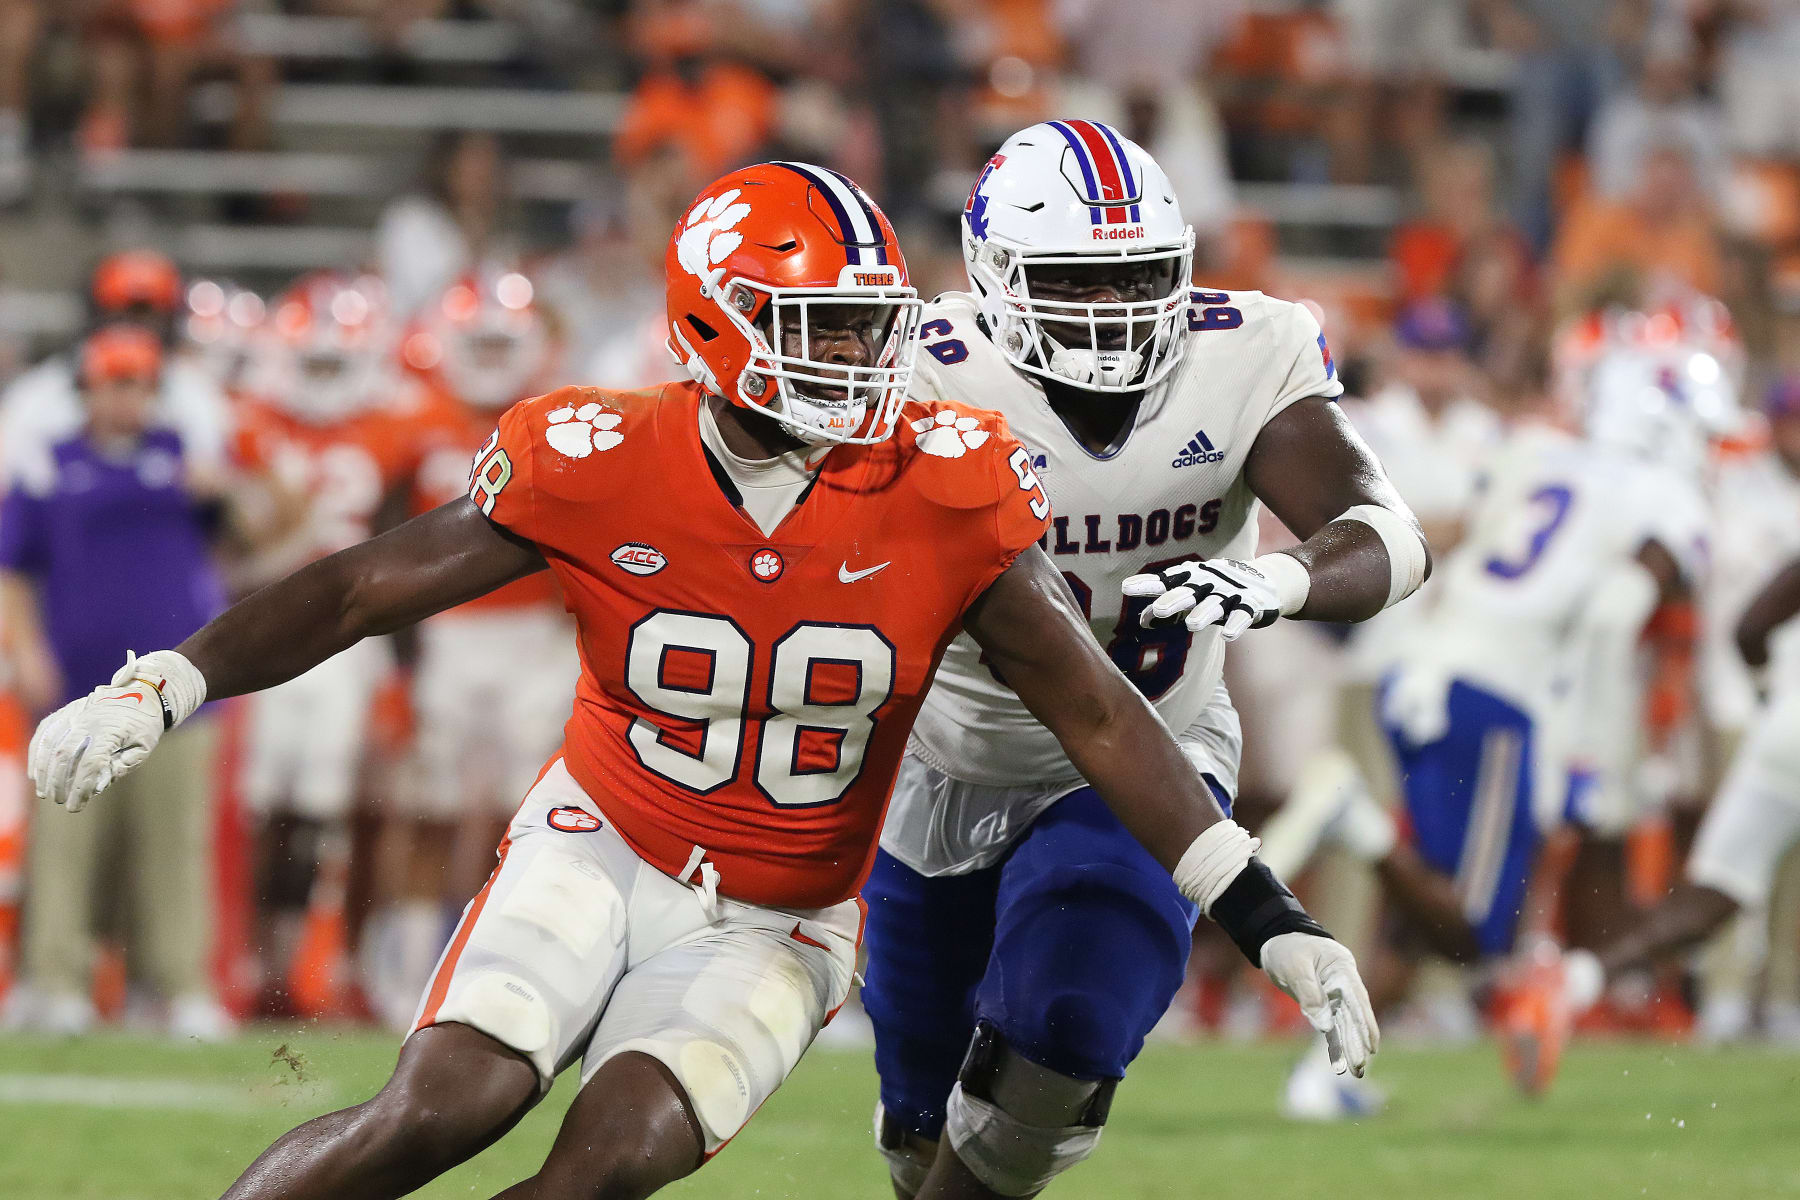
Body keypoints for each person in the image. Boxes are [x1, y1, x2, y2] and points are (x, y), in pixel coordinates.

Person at [26, 162, 1377, 1200]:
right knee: (442, 1105)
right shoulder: (597, 449)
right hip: (600, 842)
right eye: (822, 327)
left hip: (783, 916)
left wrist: (1266, 915)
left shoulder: (946, 485)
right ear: (713, 322)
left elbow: (1099, 714)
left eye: (866, 327)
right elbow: (358, 587)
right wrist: (167, 686)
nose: (857, 358)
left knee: (604, 1164)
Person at [862, 120, 1422, 1200]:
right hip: (938, 764)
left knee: (1066, 1033)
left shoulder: (1244, 349)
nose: (1116, 316)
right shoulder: (920, 373)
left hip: (1147, 760)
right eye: (1080, 283)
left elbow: (1389, 533)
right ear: (995, 276)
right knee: (922, 1125)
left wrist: (1282, 578)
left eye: (1139, 279)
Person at [1260, 336, 1722, 1099]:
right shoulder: (1663, 495)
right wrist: (1590, 760)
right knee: (1477, 930)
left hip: (1426, 667)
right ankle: (1353, 817)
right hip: (1497, 695)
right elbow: (1614, 614)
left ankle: (1326, 1076)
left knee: (1428, 900)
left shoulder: (1537, 453)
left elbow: (1468, 541)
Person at [0, 324, 232, 1040]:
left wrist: (229, 490)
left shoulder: (186, 461)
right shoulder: (49, 464)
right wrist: (26, 647)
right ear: (89, 389)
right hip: (75, 683)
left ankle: (179, 987)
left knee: (172, 843)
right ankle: (56, 980)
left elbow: (258, 535)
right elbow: (12, 567)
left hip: (174, 688)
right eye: (115, 381)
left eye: (139, 383)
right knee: (68, 839)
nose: (128, 396)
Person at [1505, 540, 1800, 1080]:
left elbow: (1751, 629)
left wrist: (1770, 696)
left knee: (1716, 889)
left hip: (1786, 725)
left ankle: (1574, 981)